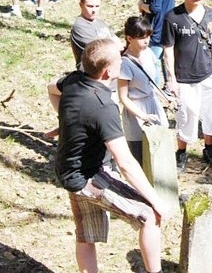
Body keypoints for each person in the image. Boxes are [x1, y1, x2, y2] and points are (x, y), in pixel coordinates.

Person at [48, 38, 171, 273]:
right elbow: (125, 163)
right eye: (119, 60)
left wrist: (68, 122)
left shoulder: (74, 80)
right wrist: (157, 202)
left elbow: (50, 88)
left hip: (68, 173)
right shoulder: (104, 107)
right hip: (89, 178)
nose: (123, 59)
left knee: (86, 235)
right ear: (107, 73)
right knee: (148, 217)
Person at [162, 0, 212, 173]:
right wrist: (171, 78)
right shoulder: (173, 17)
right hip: (184, 77)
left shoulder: (211, 15)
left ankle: (209, 147)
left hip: (208, 73)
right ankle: (181, 152)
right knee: (186, 115)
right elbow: (168, 49)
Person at [118, 16, 169, 165]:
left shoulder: (149, 54)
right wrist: (142, 116)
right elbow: (123, 97)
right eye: (141, 38)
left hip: (153, 105)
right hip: (136, 111)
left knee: (160, 151)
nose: (146, 41)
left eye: (147, 36)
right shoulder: (125, 64)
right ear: (129, 38)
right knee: (139, 155)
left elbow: (152, 83)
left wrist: (165, 97)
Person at [137, 0, 179, 87]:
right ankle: (169, 88)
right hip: (164, 27)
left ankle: (156, 91)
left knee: (151, 62)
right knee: (165, 60)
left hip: (159, 29)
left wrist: (142, 5)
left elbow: (155, 8)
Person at [71, 0, 123, 70]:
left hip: (109, 64)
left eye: (97, 6)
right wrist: (113, 47)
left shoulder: (100, 22)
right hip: (91, 70)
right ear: (81, 5)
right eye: (90, 6)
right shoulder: (80, 26)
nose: (94, 10)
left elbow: (119, 44)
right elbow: (99, 52)